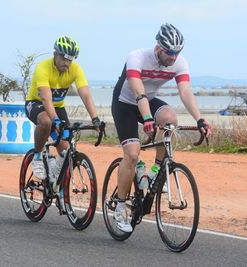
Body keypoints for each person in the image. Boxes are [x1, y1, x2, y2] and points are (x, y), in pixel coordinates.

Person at [111, 23, 213, 232]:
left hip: (148, 100)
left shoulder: (179, 62)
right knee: (131, 154)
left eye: (177, 53)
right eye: (170, 52)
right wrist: (147, 117)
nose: (174, 57)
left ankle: (156, 171)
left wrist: (200, 119)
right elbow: (137, 90)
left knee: (170, 120)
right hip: (125, 103)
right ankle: (120, 207)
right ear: (158, 47)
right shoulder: (137, 57)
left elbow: (185, 91)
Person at [25, 36, 101, 180]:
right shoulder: (43, 67)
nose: (67, 63)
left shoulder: (75, 69)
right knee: (47, 121)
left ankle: (55, 176)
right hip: (36, 103)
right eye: (64, 58)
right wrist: (56, 121)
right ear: (55, 54)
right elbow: (46, 98)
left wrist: (95, 118)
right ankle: (37, 157)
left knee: (66, 150)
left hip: (58, 107)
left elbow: (85, 94)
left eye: (70, 60)